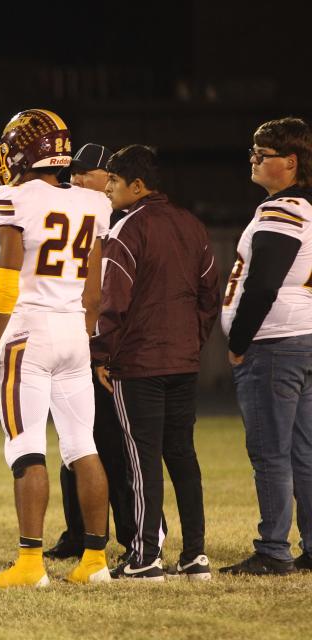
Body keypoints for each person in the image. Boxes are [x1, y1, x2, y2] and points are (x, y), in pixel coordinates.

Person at [0, 109, 113, 588]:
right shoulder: (94, 203)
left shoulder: (11, 196)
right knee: (82, 445)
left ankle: (30, 565)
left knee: (27, 447)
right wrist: (84, 332)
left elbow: (7, 285)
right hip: (74, 328)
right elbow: (94, 292)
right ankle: (96, 562)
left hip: (27, 333)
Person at [92, 145, 219, 581]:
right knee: (182, 455)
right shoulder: (192, 224)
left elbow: (114, 303)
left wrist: (101, 354)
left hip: (140, 362)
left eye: (113, 180)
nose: (107, 188)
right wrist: (192, 342)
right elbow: (209, 297)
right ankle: (196, 555)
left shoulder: (126, 230)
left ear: (137, 185)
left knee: (141, 458)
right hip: (183, 360)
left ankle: (145, 557)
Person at [220, 117, 312, 576]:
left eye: (263, 153)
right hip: (303, 339)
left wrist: (239, 340)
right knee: (303, 451)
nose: (253, 159)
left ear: (290, 162)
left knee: (271, 452)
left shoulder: (284, 209)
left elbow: (263, 285)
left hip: (275, 343)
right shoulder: (307, 209)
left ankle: (274, 549)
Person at [46, 143, 136, 561]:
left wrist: (105, 350)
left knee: (115, 449)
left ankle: (135, 534)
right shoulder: (76, 215)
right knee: (73, 445)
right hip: (77, 347)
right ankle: (77, 533)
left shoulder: (126, 225)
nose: (79, 180)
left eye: (89, 173)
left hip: (109, 352)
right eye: (75, 173)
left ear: (112, 179)